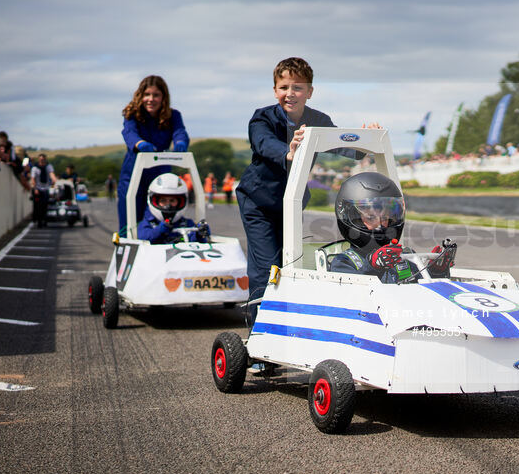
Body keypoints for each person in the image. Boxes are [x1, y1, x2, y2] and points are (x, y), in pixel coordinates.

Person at [237, 57, 366, 322]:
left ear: (309, 92)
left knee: (291, 264)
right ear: (275, 91)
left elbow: (343, 145)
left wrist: (364, 140)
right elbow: (263, 143)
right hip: (258, 202)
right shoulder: (262, 117)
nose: (290, 94)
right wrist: (288, 151)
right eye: (284, 87)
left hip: (291, 203)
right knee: (266, 268)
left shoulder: (318, 120)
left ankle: (288, 324)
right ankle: (259, 334)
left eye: (297, 88)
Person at [329, 172, 455, 283]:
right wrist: (374, 266)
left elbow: (422, 291)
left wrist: (436, 272)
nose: (380, 224)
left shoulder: (405, 256)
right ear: (350, 217)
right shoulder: (343, 262)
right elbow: (355, 296)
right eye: (371, 218)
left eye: (385, 218)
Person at [118, 75, 189, 237]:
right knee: (129, 223)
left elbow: (180, 132)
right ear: (140, 96)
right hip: (133, 176)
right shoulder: (132, 114)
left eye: (156, 95)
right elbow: (129, 133)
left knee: (160, 218)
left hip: (160, 177)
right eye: (147, 95)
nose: (151, 99)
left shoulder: (173, 116)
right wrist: (140, 144)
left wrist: (180, 143)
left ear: (163, 97)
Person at [137, 173, 210, 244]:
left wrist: (200, 234)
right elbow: (143, 238)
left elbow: (193, 240)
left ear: (180, 202)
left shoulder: (186, 223)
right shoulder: (148, 223)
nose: (168, 205)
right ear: (154, 201)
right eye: (163, 201)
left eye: (172, 201)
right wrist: (159, 230)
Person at [30, 153, 57, 228]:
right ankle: (37, 219)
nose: (42, 161)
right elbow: (33, 179)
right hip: (38, 188)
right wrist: (35, 189)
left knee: (45, 204)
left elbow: (52, 175)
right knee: (37, 205)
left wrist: (55, 182)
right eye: (41, 159)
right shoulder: (35, 168)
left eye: (43, 160)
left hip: (46, 188)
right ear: (39, 160)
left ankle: (44, 218)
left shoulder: (48, 167)